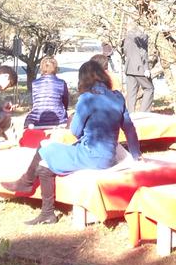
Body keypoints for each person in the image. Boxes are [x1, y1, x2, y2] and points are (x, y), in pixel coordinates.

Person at [17, 60, 141, 225]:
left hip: (90, 154)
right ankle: (33, 194)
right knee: (46, 158)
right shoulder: (117, 97)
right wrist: (136, 155)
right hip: (110, 155)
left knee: (45, 150)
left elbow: (75, 131)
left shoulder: (86, 99)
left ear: (83, 79)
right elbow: (129, 129)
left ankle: (34, 195)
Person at [25, 56, 69, 128]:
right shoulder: (61, 83)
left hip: (37, 119)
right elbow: (65, 102)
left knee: (27, 122)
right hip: (59, 119)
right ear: (56, 69)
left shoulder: (34, 83)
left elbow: (34, 102)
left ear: (41, 69)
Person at [121, 26, 154, 112]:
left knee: (131, 93)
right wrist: (146, 68)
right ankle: (143, 113)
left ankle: (130, 114)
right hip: (140, 67)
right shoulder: (142, 36)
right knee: (149, 88)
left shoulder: (128, 36)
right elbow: (143, 52)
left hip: (129, 68)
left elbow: (125, 51)